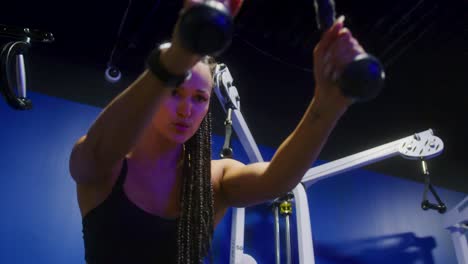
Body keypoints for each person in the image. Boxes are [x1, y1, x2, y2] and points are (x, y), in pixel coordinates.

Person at [69, 0, 366, 263]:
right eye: (175, 92)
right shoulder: (105, 167)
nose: (186, 110)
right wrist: (180, 52)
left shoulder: (215, 180)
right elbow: (95, 151)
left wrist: (328, 106)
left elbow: (278, 180)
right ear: (156, 92)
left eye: (199, 98)